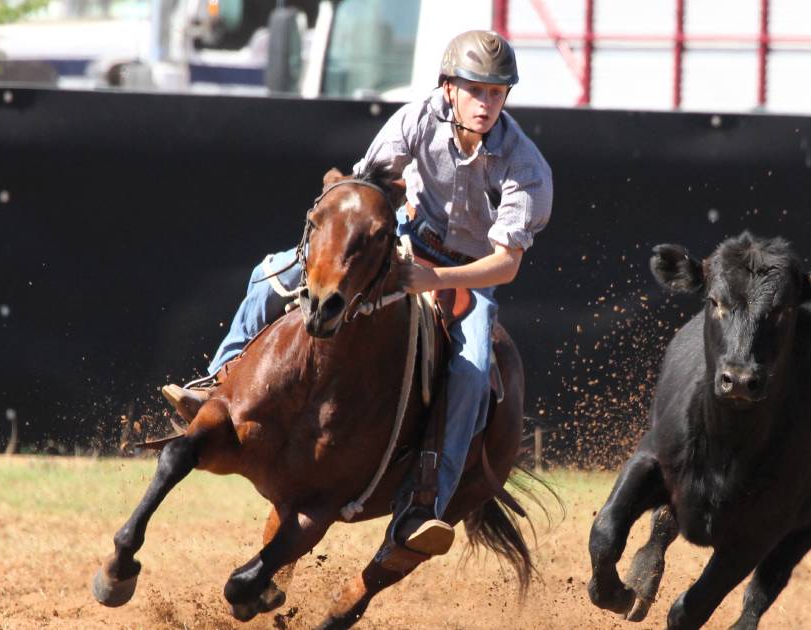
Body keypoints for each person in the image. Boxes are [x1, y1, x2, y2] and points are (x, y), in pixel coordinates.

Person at [161, 30, 552, 558]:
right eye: (475, 89)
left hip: (467, 274)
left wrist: (436, 281)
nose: (486, 103)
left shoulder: (526, 166)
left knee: (475, 368)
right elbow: (369, 186)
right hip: (405, 245)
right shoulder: (416, 119)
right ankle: (216, 382)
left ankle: (426, 500)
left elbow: (505, 265)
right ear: (449, 87)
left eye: (496, 92)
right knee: (269, 274)